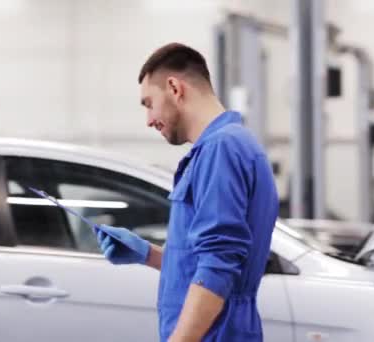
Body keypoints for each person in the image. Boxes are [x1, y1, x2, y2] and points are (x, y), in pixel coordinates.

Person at [94, 42, 279, 342]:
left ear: (174, 88)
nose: (149, 120)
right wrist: (147, 254)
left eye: (149, 104)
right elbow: (207, 260)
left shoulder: (221, 149)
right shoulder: (229, 145)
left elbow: (218, 264)